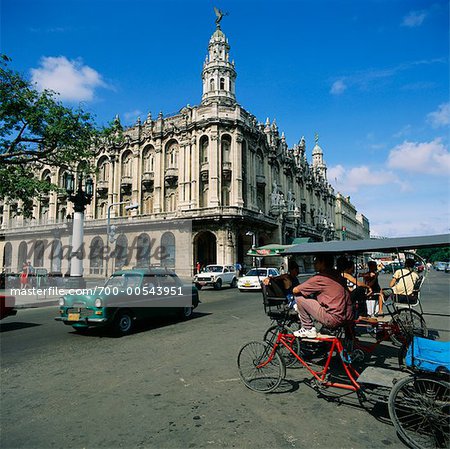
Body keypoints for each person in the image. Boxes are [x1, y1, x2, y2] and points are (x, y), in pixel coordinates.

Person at [292, 254, 353, 338]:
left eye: (316, 262)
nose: (314, 264)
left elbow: (295, 290)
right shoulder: (338, 274)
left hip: (333, 318)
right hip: (347, 316)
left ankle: (307, 328)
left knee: (298, 298)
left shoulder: (320, 277)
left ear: (322, 263)